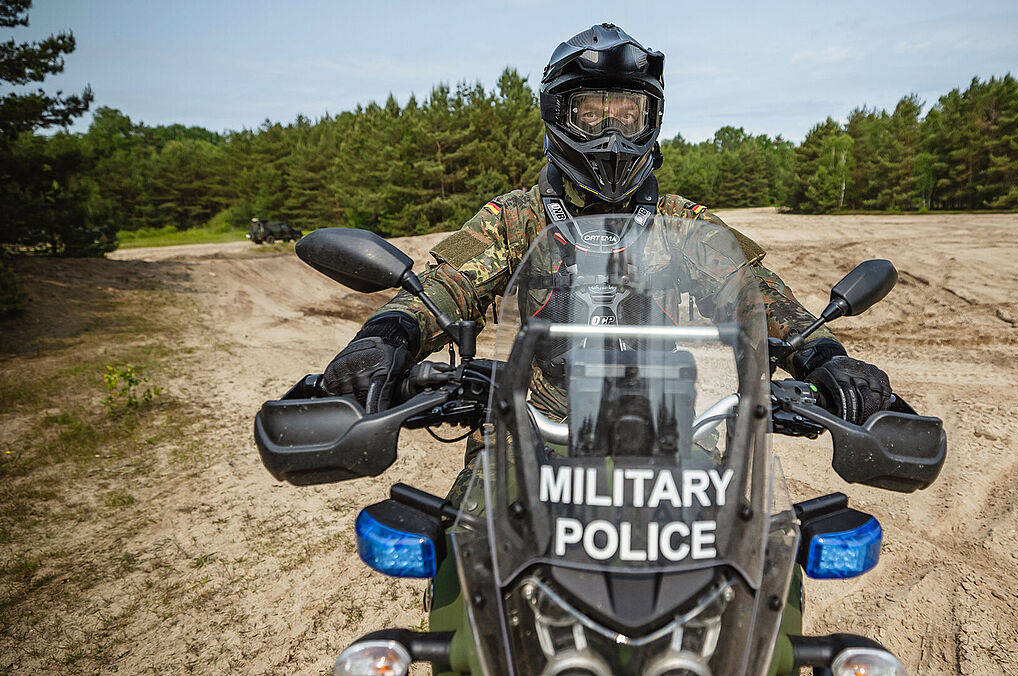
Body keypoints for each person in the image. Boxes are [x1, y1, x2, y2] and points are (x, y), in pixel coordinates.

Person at [321, 24, 891, 487]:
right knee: (463, 556)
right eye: (591, 113)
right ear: (558, 114)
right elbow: (443, 286)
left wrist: (823, 356)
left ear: (652, 118)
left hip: (669, 437)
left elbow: (757, 295)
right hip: (529, 434)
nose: (611, 131)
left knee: (748, 568)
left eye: (627, 113)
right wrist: (384, 338)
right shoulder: (516, 218)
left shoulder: (682, 224)